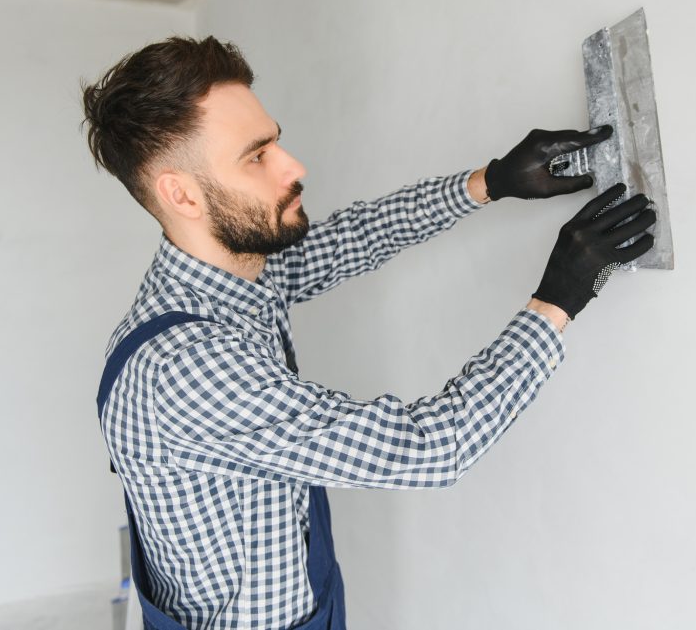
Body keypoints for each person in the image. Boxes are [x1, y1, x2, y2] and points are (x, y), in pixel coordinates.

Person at [81, 35, 656, 630]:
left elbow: (352, 239)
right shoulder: (184, 369)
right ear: (182, 193)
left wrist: (492, 181)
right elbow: (435, 447)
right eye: (256, 156)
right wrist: (558, 298)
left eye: (275, 140)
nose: (294, 166)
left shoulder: (231, 271)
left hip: (302, 593)